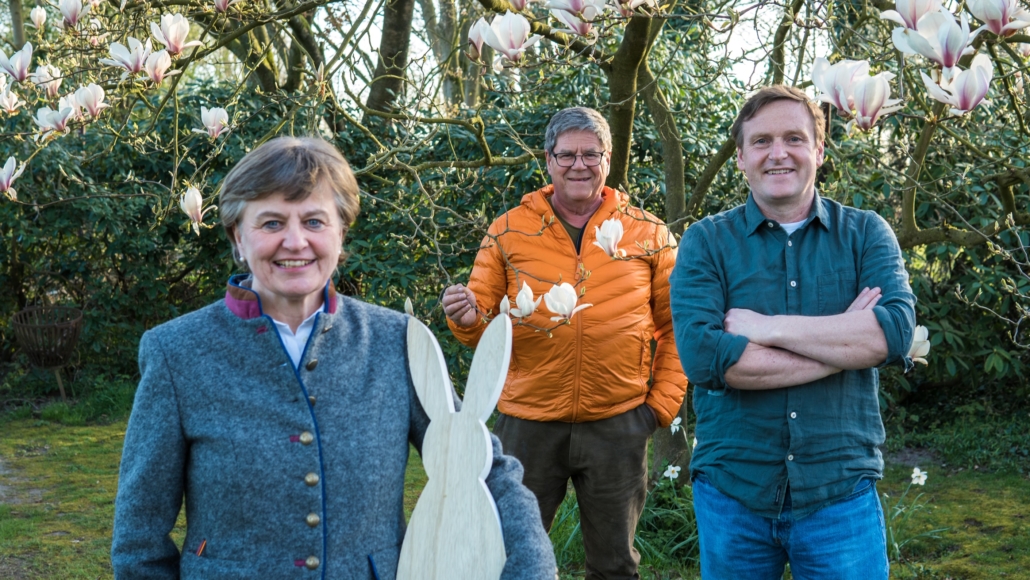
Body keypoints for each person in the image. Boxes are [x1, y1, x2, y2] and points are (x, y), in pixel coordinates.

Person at [110, 137, 556, 580]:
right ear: (237, 237)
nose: (295, 241)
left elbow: (486, 470)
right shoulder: (177, 353)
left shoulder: (398, 342)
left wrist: (532, 569)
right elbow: (139, 540)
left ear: (341, 235)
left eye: (314, 221)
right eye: (270, 223)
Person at [669, 85, 917, 579]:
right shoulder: (705, 242)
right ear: (740, 157)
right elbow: (703, 357)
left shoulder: (866, 234)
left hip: (839, 491)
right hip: (733, 493)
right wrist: (845, 343)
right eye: (761, 141)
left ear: (819, 151)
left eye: (794, 139)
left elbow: (892, 333)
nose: (778, 153)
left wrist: (767, 328)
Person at [443, 107, 686, 580]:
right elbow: (483, 324)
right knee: (504, 555)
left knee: (615, 565)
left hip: (618, 423)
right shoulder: (509, 229)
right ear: (548, 161)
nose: (579, 164)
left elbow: (676, 327)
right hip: (529, 421)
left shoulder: (650, 234)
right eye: (567, 154)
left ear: (608, 159)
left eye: (590, 154)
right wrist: (468, 319)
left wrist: (659, 407)